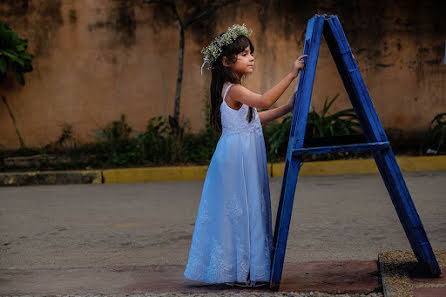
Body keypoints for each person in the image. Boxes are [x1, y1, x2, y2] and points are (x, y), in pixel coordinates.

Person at [184, 24, 306, 287]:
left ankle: (245, 267)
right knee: (239, 210)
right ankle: (238, 269)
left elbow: (254, 119)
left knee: (246, 208)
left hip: (241, 153)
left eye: (251, 53)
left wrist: (287, 108)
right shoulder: (234, 89)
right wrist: (291, 75)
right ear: (227, 61)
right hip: (237, 159)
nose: (251, 58)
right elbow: (262, 101)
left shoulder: (232, 89)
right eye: (245, 54)